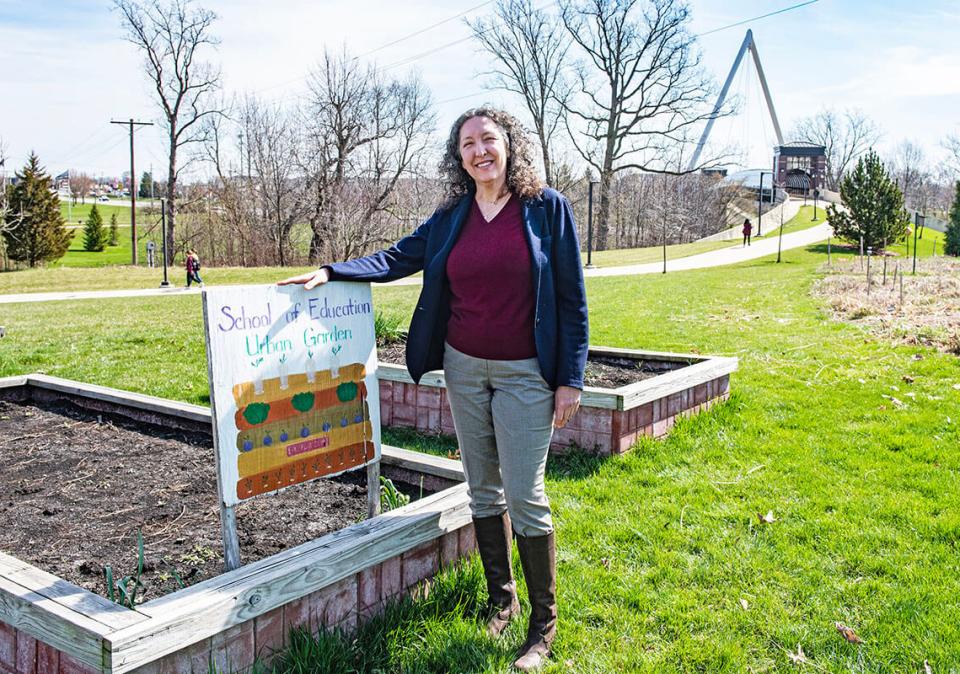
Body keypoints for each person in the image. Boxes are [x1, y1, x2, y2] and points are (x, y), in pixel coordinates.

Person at [279, 107, 588, 671]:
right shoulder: (452, 216)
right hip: (464, 369)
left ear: (509, 145)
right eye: (467, 144)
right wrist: (333, 270)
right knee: (482, 491)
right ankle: (502, 602)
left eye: (488, 139)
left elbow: (572, 299)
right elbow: (400, 256)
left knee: (525, 494)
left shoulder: (547, 209)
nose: (479, 151)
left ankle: (543, 628)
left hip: (526, 375)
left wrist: (570, 380)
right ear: (459, 156)